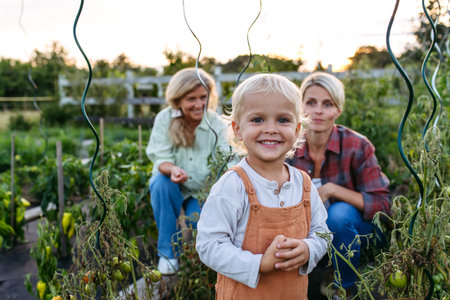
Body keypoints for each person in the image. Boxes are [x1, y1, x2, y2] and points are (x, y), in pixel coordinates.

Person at [196, 73, 329, 300]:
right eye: (257, 119)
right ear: (238, 130)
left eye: (283, 120)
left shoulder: (303, 183)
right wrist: (259, 264)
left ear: (297, 130)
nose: (271, 129)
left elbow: (322, 233)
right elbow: (209, 245)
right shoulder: (232, 185)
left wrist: (308, 249)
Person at [287, 72, 391, 299]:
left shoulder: (357, 145)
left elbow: (384, 204)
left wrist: (333, 190)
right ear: (300, 107)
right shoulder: (290, 149)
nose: (318, 111)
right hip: (308, 231)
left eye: (328, 104)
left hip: (358, 231)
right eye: (311, 103)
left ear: (338, 110)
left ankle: (345, 289)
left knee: (339, 213)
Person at [146, 68, 232, 275]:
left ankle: (200, 264)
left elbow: (227, 159)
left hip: (203, 188)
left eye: (203, 97)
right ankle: (168, 254)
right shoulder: (164, 119)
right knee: (159, 184)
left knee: (198, 223)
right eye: (191, 99)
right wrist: (173, 169)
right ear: (178, 100)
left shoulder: (216, 123)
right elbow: (160, 157)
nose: (199, 104)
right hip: (172, 183)